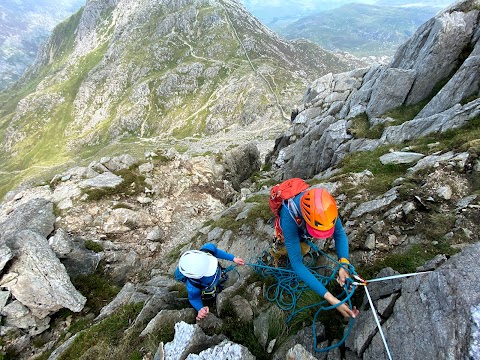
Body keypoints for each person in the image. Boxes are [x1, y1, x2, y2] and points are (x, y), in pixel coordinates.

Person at [279, 187, 359, 319]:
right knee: (292, 249)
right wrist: (331, 299)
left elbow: (339, 233)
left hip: (302, 220)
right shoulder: (288, 216)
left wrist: (343, 265)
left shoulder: (327, 207)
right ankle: (278, 256)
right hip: (290, 223)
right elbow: (297, 264)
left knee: (303, 246)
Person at [175, 243, 245, 321]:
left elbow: (216, 251)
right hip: (209, 287)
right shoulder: (193, 286)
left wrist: (233, 258)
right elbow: (194, 298)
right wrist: (200, 309)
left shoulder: (208, 250)